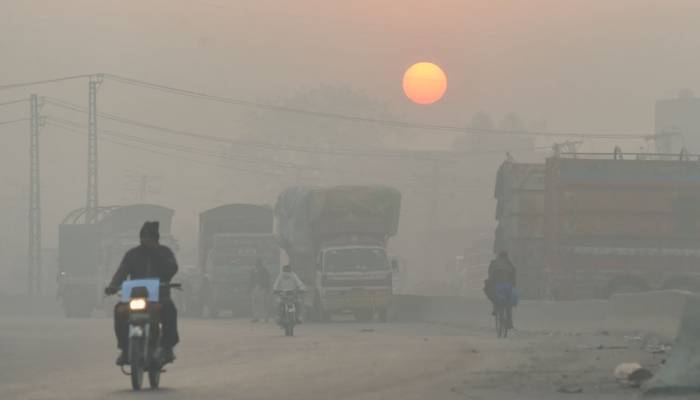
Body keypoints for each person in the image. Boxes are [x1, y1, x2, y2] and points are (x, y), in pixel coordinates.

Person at [104, 221, 180, 366]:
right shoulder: (132, 254)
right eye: (144, 238)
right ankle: (125, 349)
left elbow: (172, 268)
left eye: (149, 238)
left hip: (160, 296)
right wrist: (113, 286)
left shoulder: (165, 252)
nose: (146, 241)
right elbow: (122, 272)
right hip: (135, 297)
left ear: (156, 239)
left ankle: (166, 347)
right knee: (119, 310)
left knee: (170, 310)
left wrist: (158, 255)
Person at [484, 251, 517, 328]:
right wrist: (513, 285)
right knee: (509, 303)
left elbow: (491, 276)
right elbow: (514, 277)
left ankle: (495, 308)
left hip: (498, 286)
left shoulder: (494, 263)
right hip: (508, 287)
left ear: (498, 256)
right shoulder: (510, 264)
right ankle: (509, 322)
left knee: (490, 292)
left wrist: (488, 283)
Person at [249, 258, 272, 323]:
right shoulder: (253, 270)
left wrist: (267, 288)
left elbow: (267, 280)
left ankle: (265, 317)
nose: (257, 265)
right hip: (255, 288)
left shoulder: (265, 270)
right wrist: (249, 289)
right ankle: (256, 317)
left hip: (262, 288)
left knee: (263, 303)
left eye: (258, 264)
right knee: (254, 303)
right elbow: (251, 280)